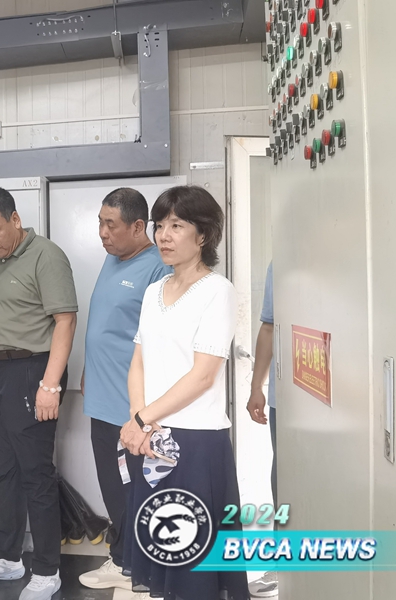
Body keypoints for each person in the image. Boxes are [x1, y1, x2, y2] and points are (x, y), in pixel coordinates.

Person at [119, 185, 250, 599]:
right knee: (163, 548)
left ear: (203, 234)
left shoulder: (217, 290)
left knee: (195, 558)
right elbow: (138, 360)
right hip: (153, 439)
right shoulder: (154, 291)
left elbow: (203, 376)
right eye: (160, 225)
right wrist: (139, 420)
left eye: (177, 225)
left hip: (196, 444)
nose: (164, 235)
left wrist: (142, 418)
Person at [0, 187, 77, 600]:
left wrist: (50, 384)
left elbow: (65, 321)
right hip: (1, 372)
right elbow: (5, 321)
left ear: (15, 218)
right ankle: (6, 557)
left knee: (35, 475)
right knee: (5, 471)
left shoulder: (47, 255)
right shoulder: (1, 259)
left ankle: (46, 570)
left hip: (33, 372)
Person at [77, 188, 172, 591]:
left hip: (131, 406)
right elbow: (106, 323)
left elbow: (160, 344)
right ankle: (123, 559)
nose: (102, 232)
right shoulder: (111, 258)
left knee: (134, 491)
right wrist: (88, 367)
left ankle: (137, 566)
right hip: (100, 398)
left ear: (138, 227)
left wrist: (145, 412)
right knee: (113, 489)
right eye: (100, 223)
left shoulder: (158, 269)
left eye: (110, 224)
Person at [245, 262, 279, 598]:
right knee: (282, 482)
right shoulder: (280, 261)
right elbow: (268, 327)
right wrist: (257, 386)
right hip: (288, 400)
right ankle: (284, 566)